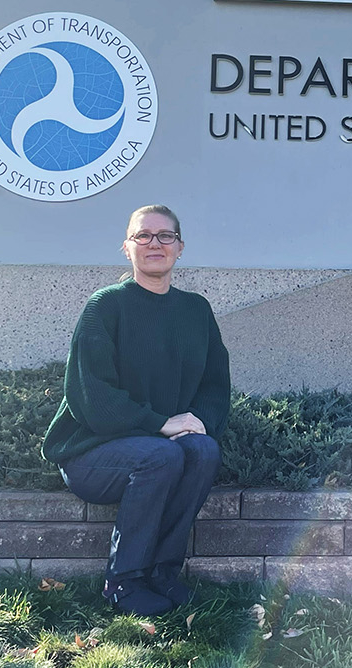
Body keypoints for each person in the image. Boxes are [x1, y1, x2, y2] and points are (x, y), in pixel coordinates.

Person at [41, 204, 231, 616]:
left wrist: (199, 422)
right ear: (126, 248)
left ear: (180, 248)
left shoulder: (195, 311)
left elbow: (215, 384)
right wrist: (160, 424)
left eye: (165, 236)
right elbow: (90, 394)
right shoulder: (106, 306)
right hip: (91, 452)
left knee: (203, 450)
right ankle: (123, 582)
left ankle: (162, 573)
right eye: (143, 235)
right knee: (160, 455)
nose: (154, 244)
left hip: (159, 448)